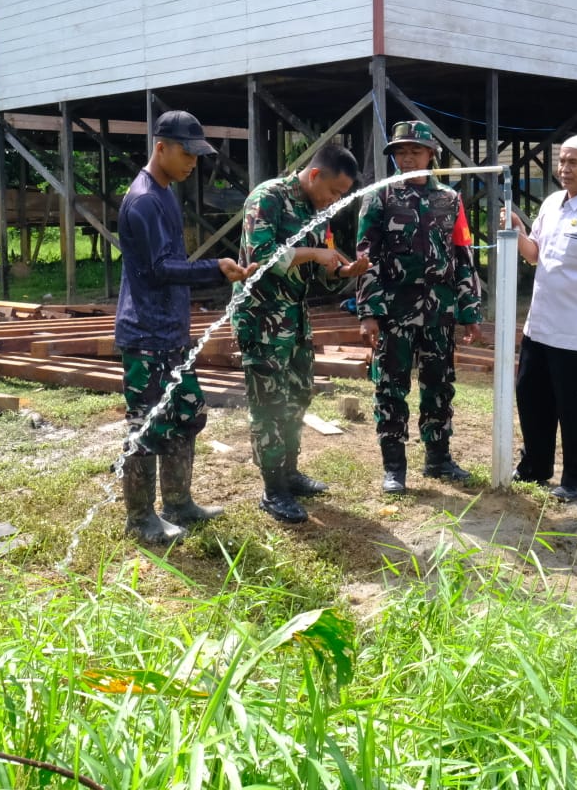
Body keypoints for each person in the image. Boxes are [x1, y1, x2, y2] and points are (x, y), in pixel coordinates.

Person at [115, 110, 256, 544]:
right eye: (187, 153)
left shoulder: (165, 194)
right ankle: (141, 520)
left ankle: (178, 504)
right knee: (145, 425)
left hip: (171, 333)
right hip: (146, 334)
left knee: (187, 413)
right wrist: (216, 268)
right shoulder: (142, 200)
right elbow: (159, 270)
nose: (193, 162)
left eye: (198, 155)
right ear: (161, 147)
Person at [233, 144, 370, 523]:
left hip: (294, 320)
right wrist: (314, 254)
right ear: (314, 176)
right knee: (268, 404)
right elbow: (261, 256)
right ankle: (273, 490)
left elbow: (319, 279)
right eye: (334, 192)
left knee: (298, 395)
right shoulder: (268, 198)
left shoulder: (316, 213)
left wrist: (343, 272)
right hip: (261, 321)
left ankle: (290, 473)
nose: (335, 200)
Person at [355, 121, 482, 495]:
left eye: (415, 151)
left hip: (439, 310)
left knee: (439, 386)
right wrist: (369, 311)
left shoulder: (450, 200)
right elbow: (367, 257)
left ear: (431, 154)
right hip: (395, 309)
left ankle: (438, 458)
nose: (407, 158)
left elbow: (463, 255)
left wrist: (470, 310)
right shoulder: (378, 197)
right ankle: (394, 467)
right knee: (390, 386)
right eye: (400, 152)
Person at [503, 134, 577, 501]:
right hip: (539, 325)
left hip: (576, 330)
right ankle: (535, 467)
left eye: (574, 162)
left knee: (574, 406)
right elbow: (534, 254)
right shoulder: (553, 203)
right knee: (531, 396)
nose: (565, 169)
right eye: (562, 161)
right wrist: (517, 231)